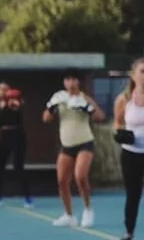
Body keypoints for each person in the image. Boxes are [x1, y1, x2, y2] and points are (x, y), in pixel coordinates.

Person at [43, 69, 105, 228]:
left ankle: (88, 209)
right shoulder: (59, 97)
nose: (70, 83)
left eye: (73, 80)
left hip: (84, 142)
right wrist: (51, 107)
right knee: (62, 180)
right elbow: (46, 119)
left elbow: (100, 117)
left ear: (78, 82)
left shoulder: (85, 98)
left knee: (80, 176)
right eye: (67, 80)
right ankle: (68, 214)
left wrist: (87, 108)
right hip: (67, 144)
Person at [113, 57, 144, 240]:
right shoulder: (124, 98)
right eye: (142, 71)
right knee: (132, 193)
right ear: (133, 75)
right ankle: (128, 232)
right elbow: (117, 122)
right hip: (131, 151)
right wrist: (121, 134)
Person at [0, 83, 33, 208]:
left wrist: (13, 103)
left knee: (18, 166)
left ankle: (28, 198)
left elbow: (18, 106)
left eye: (5, 89)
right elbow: (1, 122)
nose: (2, 91)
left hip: (17, 135)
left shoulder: (14, 101)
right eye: (0, 89)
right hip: (5, 135)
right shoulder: (1, 104)